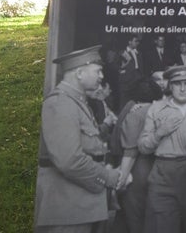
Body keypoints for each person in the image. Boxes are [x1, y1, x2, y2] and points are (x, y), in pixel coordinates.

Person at [34, 45, 124, 233]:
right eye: (98, 71)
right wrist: (106, 176)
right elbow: (69, 160)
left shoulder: (76, 102)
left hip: (79, 206)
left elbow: (90, 146)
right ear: (80, 73)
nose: (102, 77)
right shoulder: (61, 103)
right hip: (67, 208)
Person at [138, 66, 186, 233]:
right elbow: (143, 147)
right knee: (161, 226)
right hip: (163, 175)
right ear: (169, 86)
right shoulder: (156, 108)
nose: (182, 88)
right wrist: (159, 133)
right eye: (177, 83)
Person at [110, 71, 166, 233]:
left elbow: (130, 152)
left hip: (136, 171)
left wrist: (120, 181)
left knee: (135, 216)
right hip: (154, 169)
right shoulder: (159, 111)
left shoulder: (133, 112)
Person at [118, 35, 145, 111]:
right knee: (125, 101)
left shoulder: (139, 53)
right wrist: (121, 70)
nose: (137, 43)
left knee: (136, 99)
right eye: (135, 41)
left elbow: (141, 67)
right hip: (127, 79)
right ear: (129, 42)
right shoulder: (122, 53)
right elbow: (118, 66)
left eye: (138, 41)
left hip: (137, 78)